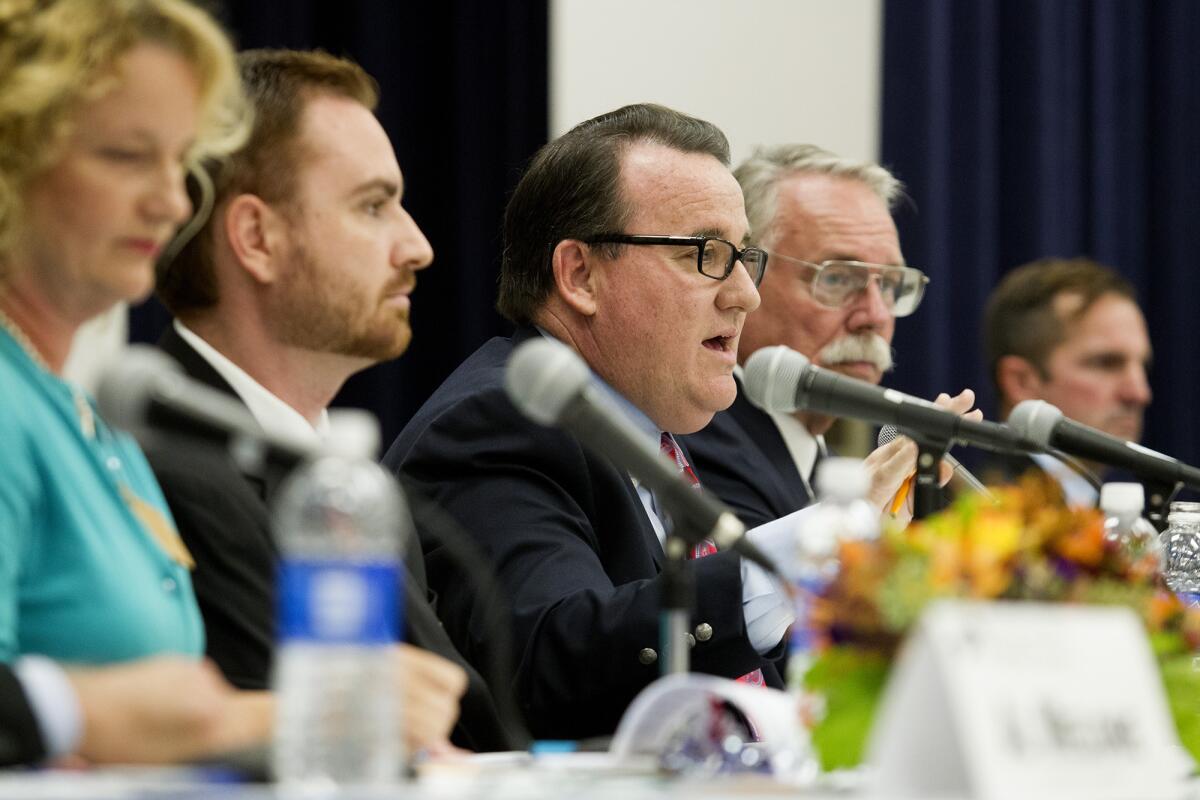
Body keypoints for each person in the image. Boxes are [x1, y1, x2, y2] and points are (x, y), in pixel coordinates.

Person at [384, 103, 811, 740]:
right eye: (705, 253)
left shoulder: (651, 436)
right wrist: (787, 561)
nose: (745, 293)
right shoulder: (500, 421)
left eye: (744, 256)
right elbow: (550, 662)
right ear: (579, 275)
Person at [152, 48, 510, 752]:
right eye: (373, 206)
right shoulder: (173, 466)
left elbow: (462, 729)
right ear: (258, 238)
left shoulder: (345, 483)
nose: (419, 246)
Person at [0, 0, 268, 765]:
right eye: (126, 155)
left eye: (179, 161)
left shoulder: (85, 409)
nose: (174, 200)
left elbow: (156, 715)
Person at [683, 144, 975, 528]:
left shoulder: (829, 467)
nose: (874, 315)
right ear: (747, 274)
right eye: (837, 278)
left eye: (889, 283)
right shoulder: (696, 443)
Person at [983, 256, 1153, 504]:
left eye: (1143, 366)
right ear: (1021, 382)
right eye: (1106, 363)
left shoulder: (1114, 520)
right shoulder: (980, 517)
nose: (1139, 393)